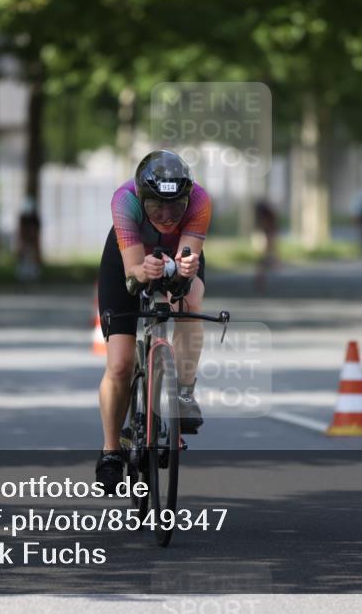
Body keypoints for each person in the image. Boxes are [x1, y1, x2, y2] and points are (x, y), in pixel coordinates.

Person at [95, 150, 212, 489]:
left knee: (191, 298)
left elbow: (187, 257)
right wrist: (142, 270)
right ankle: (111, 451)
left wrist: (186, 266)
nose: (166, 215)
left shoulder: (201, 201)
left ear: (188, 198)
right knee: (120, 364)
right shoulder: (124, 200)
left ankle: (184, 394)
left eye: (175, 206)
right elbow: (132, 275)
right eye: (156, 206)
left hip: (176, 255)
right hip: (128, 261)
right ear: (142, 198)